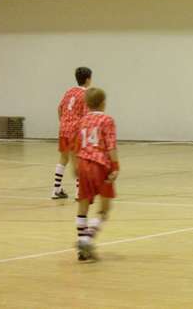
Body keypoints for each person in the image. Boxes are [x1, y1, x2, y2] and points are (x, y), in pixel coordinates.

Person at [74, 87, 119, 261]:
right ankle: (86, 239)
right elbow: (111, 145)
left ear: (87, 104)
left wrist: (75, 166)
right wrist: (115, 166)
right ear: (103, 103)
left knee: (83, 206)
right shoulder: (107, 120)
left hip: (83, 163)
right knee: (104, 209)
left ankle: (82, 248)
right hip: (100, 165)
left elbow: (76, 145)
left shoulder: (82, 120)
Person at [52, 66, 92, 199]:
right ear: (88, 79)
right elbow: (86, 115)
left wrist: (64, 122)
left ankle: (56, 190)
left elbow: (59, 108)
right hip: (76, 131)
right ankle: (79, 192)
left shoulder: (69, 91)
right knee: (78, 160)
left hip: (64, 129)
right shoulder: (86, 94)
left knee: (63, 159)